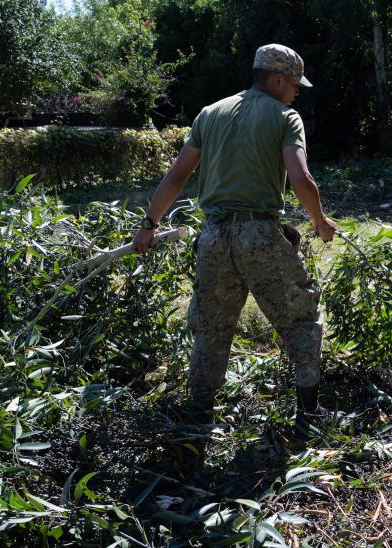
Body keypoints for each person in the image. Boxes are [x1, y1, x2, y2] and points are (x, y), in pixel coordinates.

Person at [132, 44, 337, 434]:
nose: (297, 91)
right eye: (295, 84)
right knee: (300, 318)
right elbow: (300, 179)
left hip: (212, 237)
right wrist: (320, 221)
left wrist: (149, 224)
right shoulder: (285, 117)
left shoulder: (210, 114)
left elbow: (177, 176)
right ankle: (309, 414)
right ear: (277, 79)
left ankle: (198, 415)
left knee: (211, 325)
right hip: (258, 234)